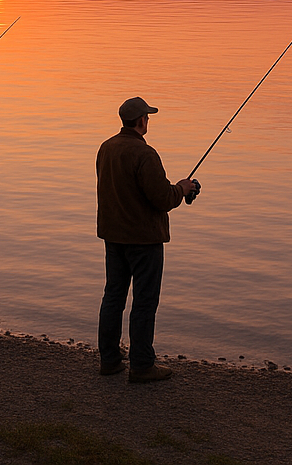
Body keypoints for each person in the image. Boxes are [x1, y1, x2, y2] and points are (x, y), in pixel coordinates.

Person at [96, 96, 199, 383]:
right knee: (144, 301)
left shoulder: (106, 148)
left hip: (113, 236)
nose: (148, 121)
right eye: (148, 117)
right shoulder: (145, 154)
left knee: (113, 297)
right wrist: (182, 188)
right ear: (142, 121)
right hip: (143, 240)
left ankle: (109, 360)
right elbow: (163, 199)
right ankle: (141, 365)